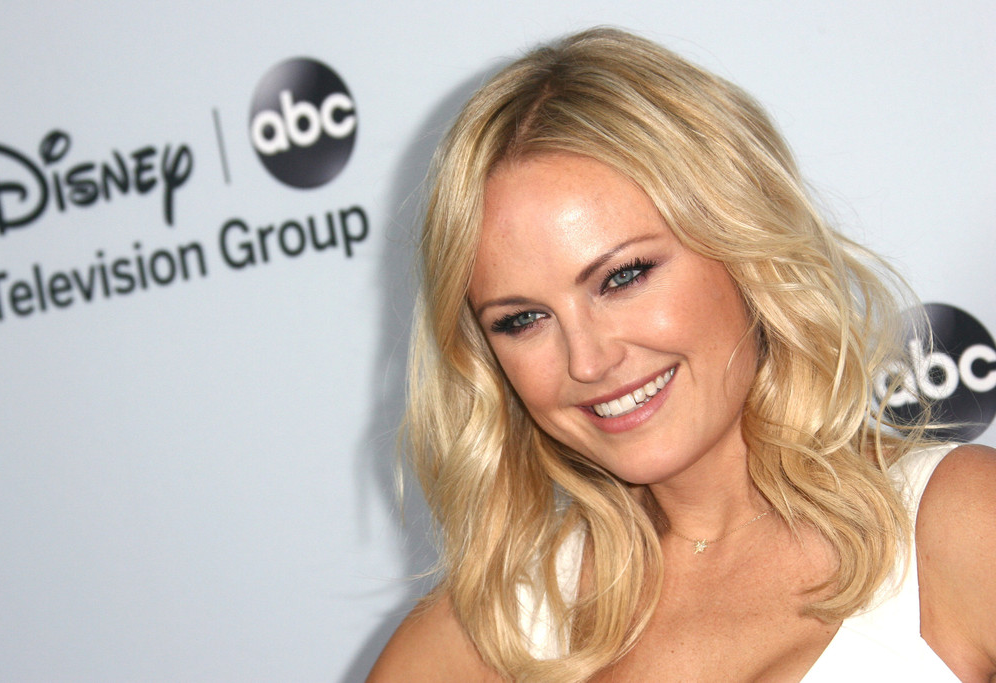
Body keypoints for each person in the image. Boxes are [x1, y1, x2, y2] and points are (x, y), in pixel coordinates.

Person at [368, 27, 996, 682]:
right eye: (523, 320)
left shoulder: (959, 527)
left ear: (742, 246)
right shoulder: (488, 634)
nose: (587, 361)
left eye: (623, 277)